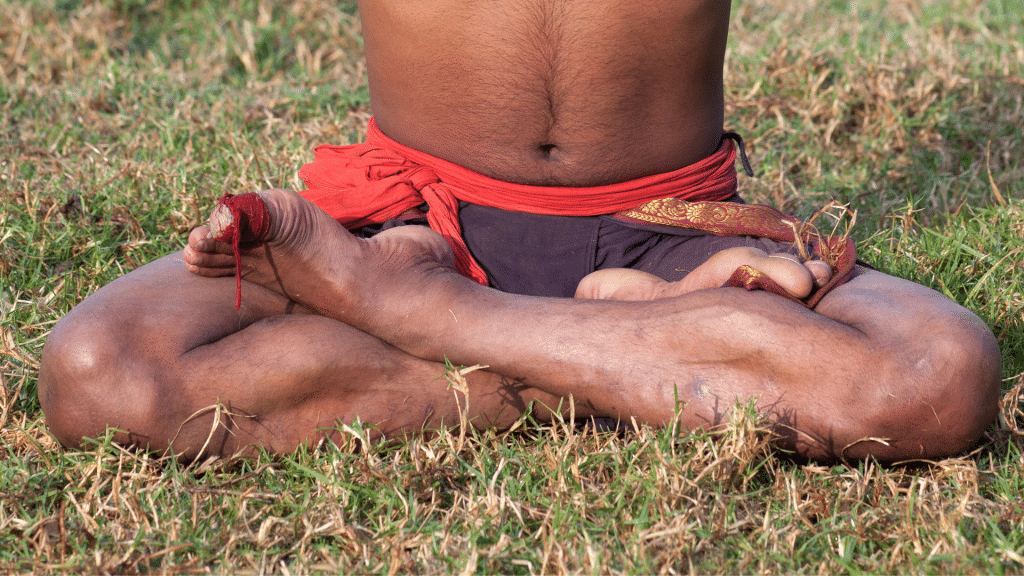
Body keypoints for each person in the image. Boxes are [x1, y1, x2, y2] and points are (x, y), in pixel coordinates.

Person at [37, 0, 1001, 461]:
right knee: (99, 374)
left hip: (667, 228)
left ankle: (427, 320)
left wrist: (396, 304)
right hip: (417, 214)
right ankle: (633, 362)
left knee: (939, 379)